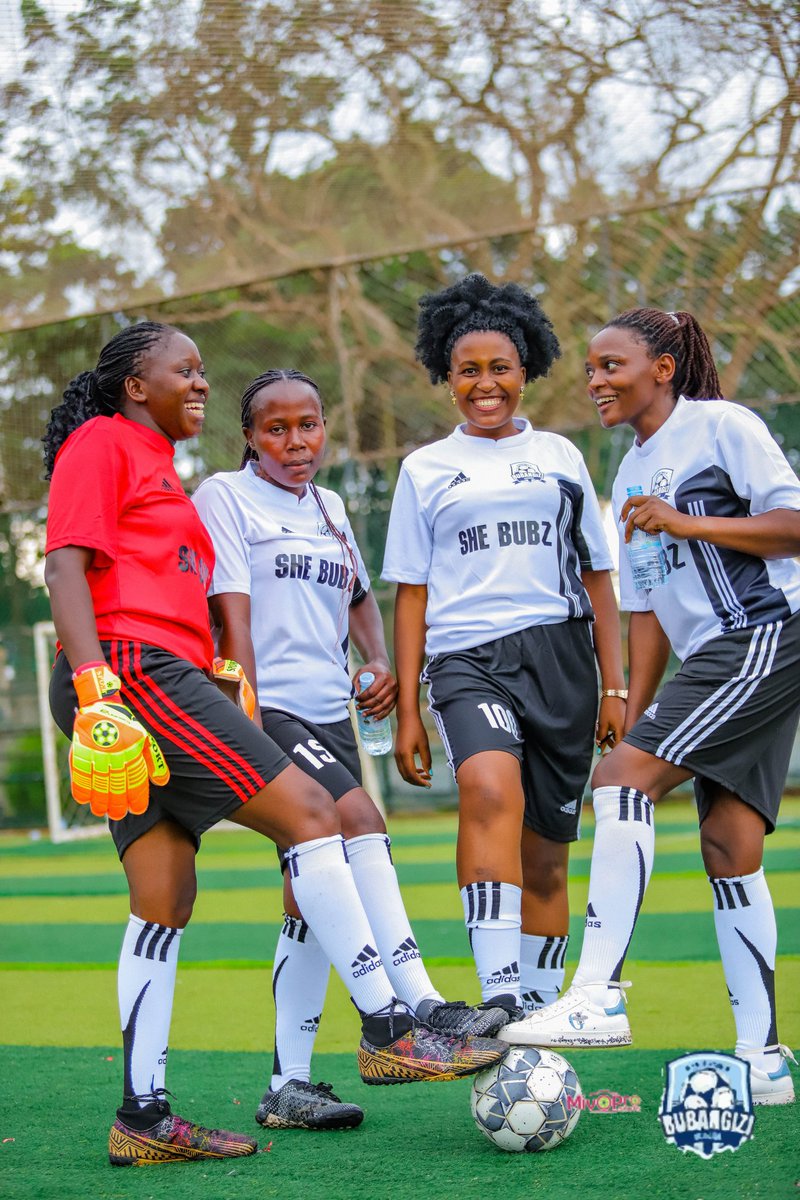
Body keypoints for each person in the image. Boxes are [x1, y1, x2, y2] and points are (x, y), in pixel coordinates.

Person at [42, 322, 507, 1166]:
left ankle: (142, 1118)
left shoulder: (165, 472)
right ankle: (390, 1025)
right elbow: (65, 567)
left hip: (162, 677)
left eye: (201, 371)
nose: (200, 383)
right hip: (130, 673)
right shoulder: (102, 441)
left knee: (165, 897)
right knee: (313, 815)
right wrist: (94, 687)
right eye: (183, 370)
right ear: (133, 385)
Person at [192, 368, 513, 1133]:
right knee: (358, 820)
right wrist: (246, 715)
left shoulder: (330, 508)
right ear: (248, 436)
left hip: (328, 713)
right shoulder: (224, 497)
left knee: (309, 901)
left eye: (309, 425)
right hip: (263, 709)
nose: (295, 443)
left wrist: (376, 664)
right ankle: (407, 1014)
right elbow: (230, 616)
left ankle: (288, 1087)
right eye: (276, 429)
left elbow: (361, 599)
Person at [499, 307, 800, 1106]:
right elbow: (645, 605)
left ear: (662, 368)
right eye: (591, 369)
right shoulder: (629, 469)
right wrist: (628, 702)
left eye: (611, 365)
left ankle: (596, 991)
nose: (595, 380)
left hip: (767, 634)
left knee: (620, 781)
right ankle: (764, 1059)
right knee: (729, 844)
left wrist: (685, 519)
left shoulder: (722, 427)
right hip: (713, 657)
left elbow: (796, 526)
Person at [381, 273, 626, 1021]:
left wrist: (614, 687)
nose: (485, 385)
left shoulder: (560, 456)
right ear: (446, 378)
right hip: (466, 659)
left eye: (500, 369)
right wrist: (409, 710)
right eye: (468, 371)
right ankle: (499, 996)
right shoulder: (424, 469)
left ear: (525, 371)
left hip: (561, 658)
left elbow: (598, 574)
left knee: (548, 856)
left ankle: (541, 1022)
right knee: (489, 790)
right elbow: (412, 591)